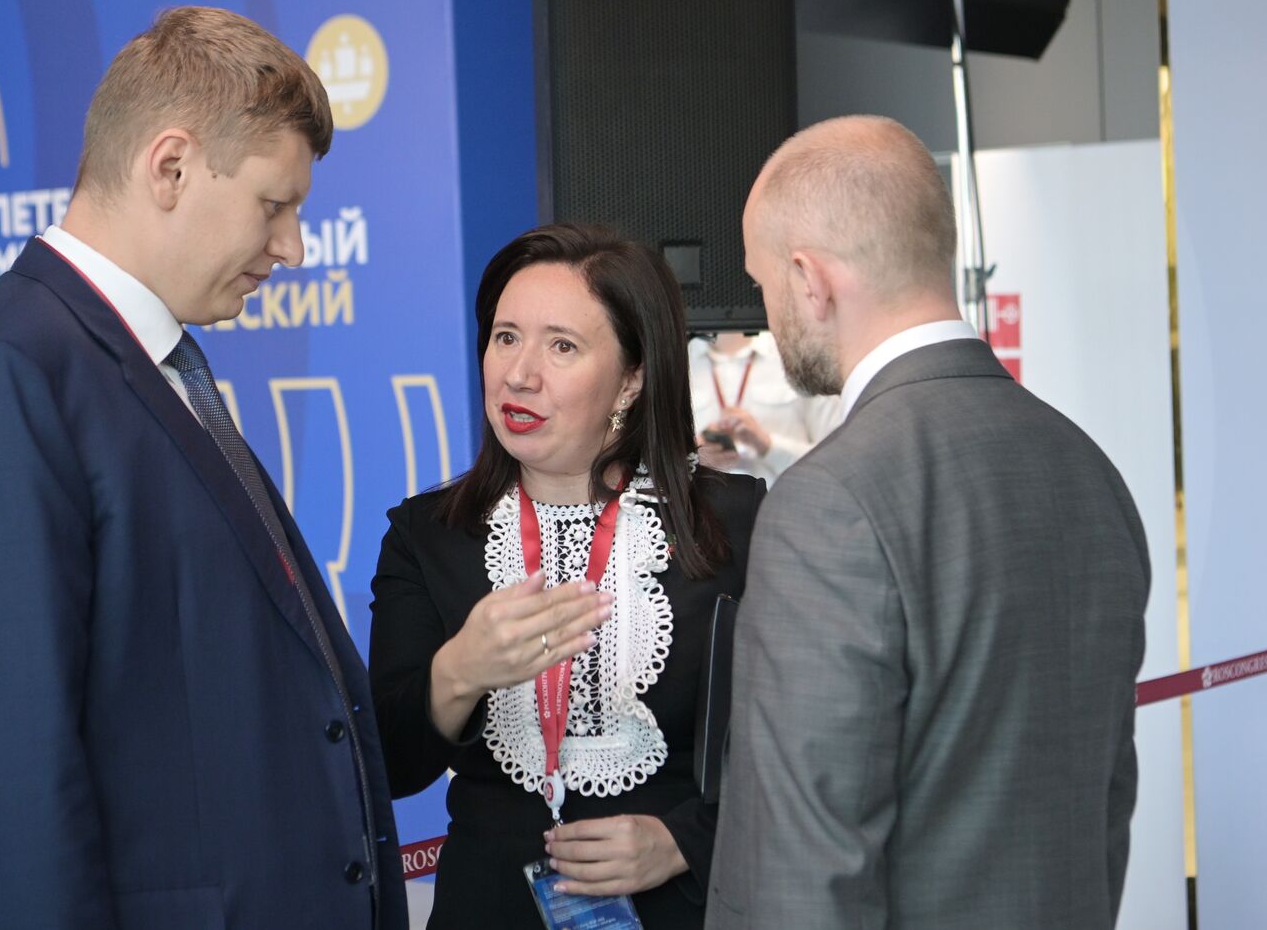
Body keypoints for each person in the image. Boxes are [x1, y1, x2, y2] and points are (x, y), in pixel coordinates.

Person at [0, 8, 406, 929]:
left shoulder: (149, 364)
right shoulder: (2, 375)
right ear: (170, 167)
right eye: (274, 206)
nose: (292, 248)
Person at [707, 116, 1149, 929]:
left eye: (764, 282)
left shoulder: (826, 500)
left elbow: (800, 877)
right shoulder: (1090, 471)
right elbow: (1103, 813)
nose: (768, 316)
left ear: (810, 279)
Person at [369, 224, 765, 928]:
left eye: (562, 346)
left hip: (676, 908)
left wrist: (683, 840)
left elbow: (799, 745)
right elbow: (390, 769)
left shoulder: (735, 526)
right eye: (505, 337)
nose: (519, 374)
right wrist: (460, 670)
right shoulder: (428, 537)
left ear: (634, 376)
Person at [690, 330, 841, 485]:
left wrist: (768, 445)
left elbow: (838, 462)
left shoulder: (797, 353)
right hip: (704, 505)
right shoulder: (680, 360)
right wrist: (693, 459)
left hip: (787, 502)